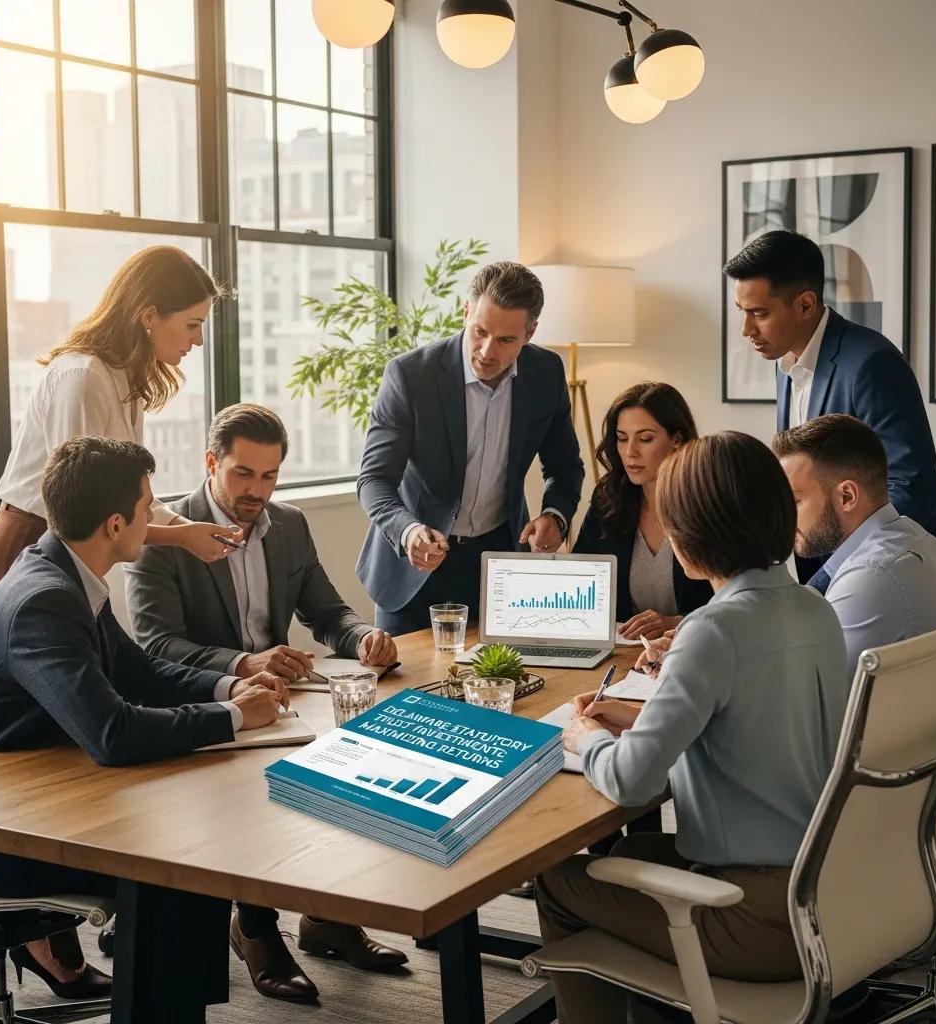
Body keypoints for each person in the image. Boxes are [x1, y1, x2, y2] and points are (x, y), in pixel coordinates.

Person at [536, 432, 848, 1024]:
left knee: (559, 880)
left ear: (696, 533)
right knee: (639, 849)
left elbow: (629, 783)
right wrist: (639, 716)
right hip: (831, 888)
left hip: (758, 917)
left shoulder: (713, 629)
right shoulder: (814, 607)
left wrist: (588, 738)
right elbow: (756, 712)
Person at [0, 437, 287, 1004]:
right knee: (185, 868)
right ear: (115, 525)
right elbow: (113, 735)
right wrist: (234, 717)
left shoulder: (65, 573)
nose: (155, 519)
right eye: (148, 510)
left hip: (45, 797)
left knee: (192, 852)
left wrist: (228, 684)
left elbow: (137, 672)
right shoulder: (43, 598)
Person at [125, 404, 407, 1004]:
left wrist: (364, 639)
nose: (257, 490)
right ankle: (255, 929)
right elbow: (155, 646)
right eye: (243, 474)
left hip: (279, 700)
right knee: (257, 790)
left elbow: (328, 613)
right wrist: (242, 664)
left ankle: (326, 917)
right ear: (211, 463)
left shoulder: (290, 525)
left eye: (270, 476)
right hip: (205, 702)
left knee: (353, 759)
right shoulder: (165, 532)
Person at [772, 413, 936, 881]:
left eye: (793, 501)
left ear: (847, 495)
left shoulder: (874, 576)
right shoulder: (909, 541)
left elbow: (806, 705)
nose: (781, 518)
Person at [0, 245, 242, 628]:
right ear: (149, 316)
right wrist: (183, 538)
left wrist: (192, 531)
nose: (198, 341)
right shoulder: (83, 378)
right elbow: (82, 512)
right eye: (192, 324)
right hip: (22, 554)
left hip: (66, 561)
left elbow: (127, 501)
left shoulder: (123, 382)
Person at [723, 229, 936, 595]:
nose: (746, 329)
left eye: (759, 313)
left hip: (900, 577)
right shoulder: (784, 362)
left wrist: (831, 575)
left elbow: (914, 488)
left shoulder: (871, 363)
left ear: (806, 304)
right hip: (833, 581)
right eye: (742, 313)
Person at [356, 261, 585, 634]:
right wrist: (409, 532)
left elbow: (565, 467)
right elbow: (374, 480)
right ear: (466, 312)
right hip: (417, 565)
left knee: (501, 686)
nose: (486, 351)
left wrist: (555, 516)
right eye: (479, 331)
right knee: (407, 690)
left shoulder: (546, 373)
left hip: (499, 564)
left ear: (529, 333)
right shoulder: (411, 376)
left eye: (506, 340)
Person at [574, 382, 712, 640]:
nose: (630, 452)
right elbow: (580, 583)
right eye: (622, 438)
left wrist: (676, 623)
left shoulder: (709, 503)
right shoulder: (608, 498)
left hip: (696, 648)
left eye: (645, 439)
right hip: (622, 653)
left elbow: (739, 598)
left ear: (676, 439)